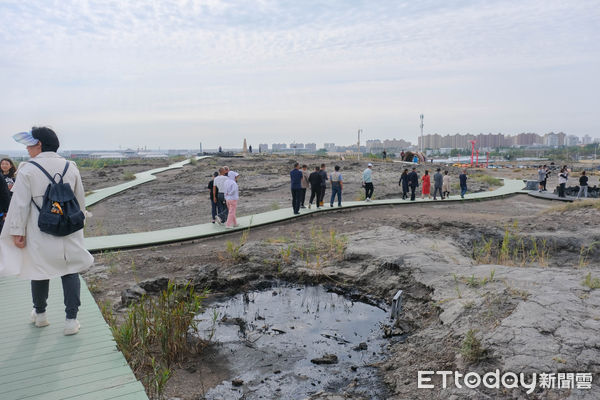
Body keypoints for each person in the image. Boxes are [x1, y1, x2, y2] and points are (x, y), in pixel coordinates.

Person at [0, 127, 94, 335]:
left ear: (39, 144)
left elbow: (20, 205)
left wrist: (17, 232)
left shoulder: (27, 169)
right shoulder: (71, 167)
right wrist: (79, 226)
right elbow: (80, 201)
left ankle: (40, 315)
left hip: (39, 229)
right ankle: (71, 321)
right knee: (70, 272)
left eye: (29, 143)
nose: (27, 147)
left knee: (39, 270)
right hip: (69, 228)